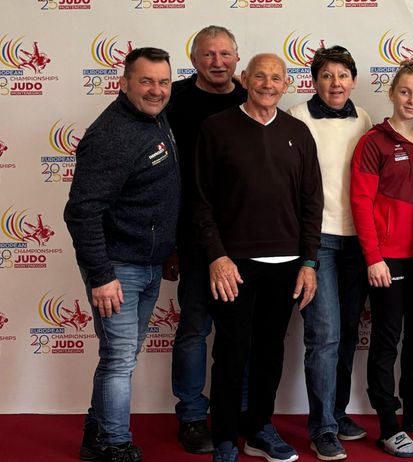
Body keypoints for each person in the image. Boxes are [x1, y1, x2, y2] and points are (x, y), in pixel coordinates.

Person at [190, 53, 324, 462]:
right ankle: (227, 437)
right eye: (260, 76)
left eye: (277, 78)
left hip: (286, 266)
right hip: (234, 265)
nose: (268, 84)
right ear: (245, 78)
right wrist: (216, 256)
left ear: (287, 84)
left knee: (270, 352)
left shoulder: (298, 132)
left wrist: (309, 262)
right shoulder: (216, 128)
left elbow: (311, 202)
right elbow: (200, 200)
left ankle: (261, 429)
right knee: (230, 352)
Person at [65, 47, 180, 462]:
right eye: (146, 81)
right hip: (118, 269)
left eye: (163, 82)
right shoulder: (112, 134)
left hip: (148, 263)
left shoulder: (153, 115)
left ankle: (96, 435)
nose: (156, 90)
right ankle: (115, 444)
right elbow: (81, 211)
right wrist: (101, 274)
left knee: (121, 355)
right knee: (119, 359)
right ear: (124, 83)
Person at [350, 59, 413, 458]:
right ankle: (388, 425)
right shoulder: (373, 141)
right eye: (405, 92)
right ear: (392, 92)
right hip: (386, 260)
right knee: (387, 341)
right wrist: (373, 257)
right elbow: (360, 201)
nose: (412, 100)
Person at [286, 45, 373, 461]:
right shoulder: (297, 118)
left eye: (342, 75)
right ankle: (321, 427)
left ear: (353, 80)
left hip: (358, 241)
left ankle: (336, 415)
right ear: (314, 81)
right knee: (324, 336)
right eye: (326, 75)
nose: (335, 83)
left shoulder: (366, 119)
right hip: (317, 240)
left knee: (348, 335)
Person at [165, 25, 246, 455]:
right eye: (208, 54)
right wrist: (170, 244)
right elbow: (161, 174)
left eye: (225, 54)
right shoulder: (172, 100)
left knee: (241, 333)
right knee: (195, 329)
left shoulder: (250, 98)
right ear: (194, 58)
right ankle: (193, 416)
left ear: (237, 58)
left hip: (247, 243)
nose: (218, 61)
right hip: (193, 239)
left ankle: (241, 412)